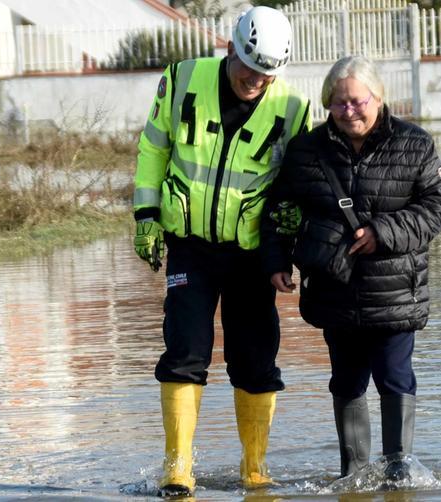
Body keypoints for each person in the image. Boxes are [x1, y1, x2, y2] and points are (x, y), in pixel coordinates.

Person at [131, 6, 312, 497]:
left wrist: (290, 232)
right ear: (229, 48)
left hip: (253, 254)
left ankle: (254, 471)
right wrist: (146, 216)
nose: (256, 80)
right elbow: (153, 150)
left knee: (255, 360)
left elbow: (296, 184)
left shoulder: (294, 108)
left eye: (267, 73)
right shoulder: (182, 78)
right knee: (185, 351)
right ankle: (178, 470)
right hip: (189, 245)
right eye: (249, 67)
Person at [260, 55, 441, 484]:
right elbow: (281, 209)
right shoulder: (306, 151)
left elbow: (438, 206)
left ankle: (399, 472)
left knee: (394, 377)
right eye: (339, 103)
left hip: (396, 290)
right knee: (345, 381)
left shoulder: (415, 144)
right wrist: (275, 260)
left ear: (379, 98)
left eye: (358, 102)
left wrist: (383, 231)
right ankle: (353, 474)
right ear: (328, 104)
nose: (350, 111)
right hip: (334, 291)